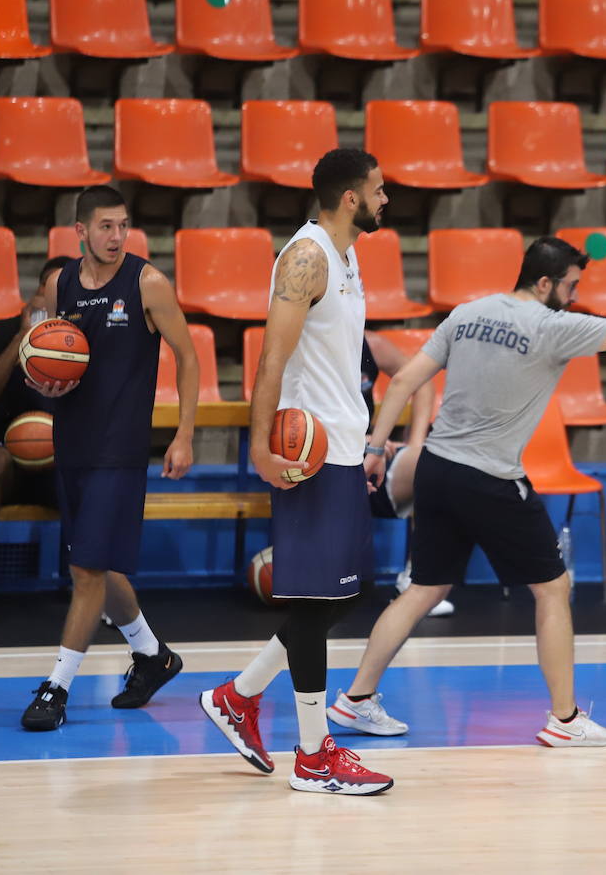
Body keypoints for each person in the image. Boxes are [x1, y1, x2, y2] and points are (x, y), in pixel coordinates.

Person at [338, 236, 606, 746]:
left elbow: (401, 383)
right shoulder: (554, 327)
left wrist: (374, 451)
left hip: (435, 468)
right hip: (490, 478)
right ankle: (565, 721)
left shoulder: (467, 313)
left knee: (423, 589)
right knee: (553, 588)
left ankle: (355, 700)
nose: (574, 297)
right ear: (544, 282)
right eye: (570, 286)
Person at [200, 148, 394, 796]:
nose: (385, 200)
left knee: (351, 593)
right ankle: (314, 756)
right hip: (308, 454)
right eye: (378, 191)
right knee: (318, 602)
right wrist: (260, 447)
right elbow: (271, 359)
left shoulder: (346, 254)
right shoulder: (306, 257)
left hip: (343, 444)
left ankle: (239, 695)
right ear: (349, 199)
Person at [19, 186, 199, 731]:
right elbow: (57, 357)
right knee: (99, 563)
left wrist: (184, 434)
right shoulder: (61, 283)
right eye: (105, 226)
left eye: (123, 226)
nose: (117, 236)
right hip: (71, 442)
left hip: (119, 450)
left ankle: (56, 689)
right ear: (80, 230)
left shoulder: (147, 283)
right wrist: (46, 384)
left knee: (86, 570)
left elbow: (188, 358)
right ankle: (153, 656)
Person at [0, 256, 70, 624]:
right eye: (49, 289)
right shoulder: (4, 330)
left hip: (59, 464)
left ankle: (95, 587)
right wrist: (22, 338)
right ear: (37, 292)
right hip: (6, 463)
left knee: (93, 471)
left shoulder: (82, 343)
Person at [359, 332, 454, 618]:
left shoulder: (371, 345)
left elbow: (421, 381)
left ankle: (416, 584)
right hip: (320, 456)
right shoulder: (304, 343)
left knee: (443, 467)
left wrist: (415, 444)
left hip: (370, 455)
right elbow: (291, 413)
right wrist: (356, 438)